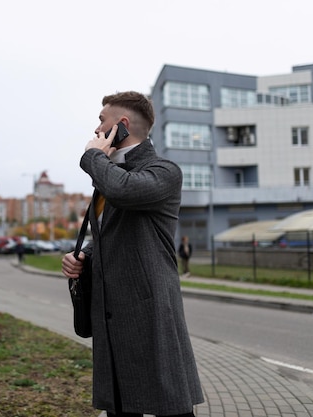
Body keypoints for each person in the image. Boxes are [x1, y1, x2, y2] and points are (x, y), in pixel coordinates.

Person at [61, 91, 204, 417]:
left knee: (171, 407)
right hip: (111, 314)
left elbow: (126, 191)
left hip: (149, 310)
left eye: (101, 120)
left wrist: (93, 157)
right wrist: (82, 255)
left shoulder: (164, 171)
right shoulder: (108, 175)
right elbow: (110, 233)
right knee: (121, 408)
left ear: (122, 125)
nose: (96, 128)